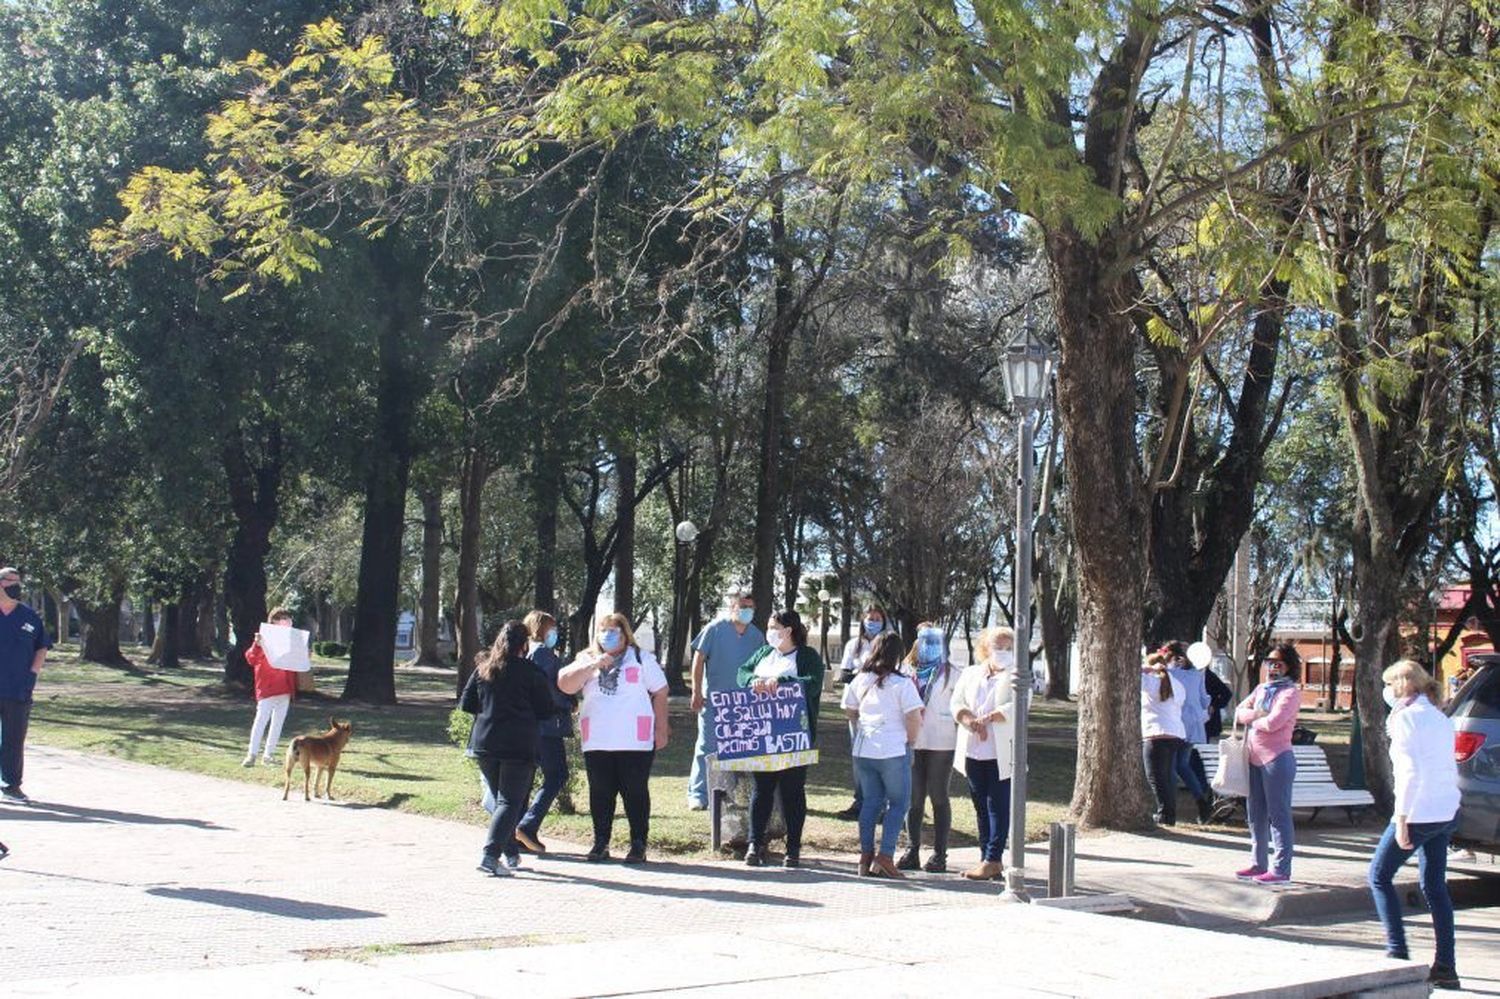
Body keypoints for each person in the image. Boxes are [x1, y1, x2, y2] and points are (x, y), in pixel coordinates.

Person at [1368, 660, 1462, 990]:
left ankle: (1397, 954)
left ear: (1402, 686)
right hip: (1445, 810)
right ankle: (1446, 967)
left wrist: (1402, 819)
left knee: (1378, 876)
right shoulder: (1439, 717)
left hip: (1419, 811)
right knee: (1435, 887)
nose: (1386, 691)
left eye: (1389, 683)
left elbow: (1409, 774)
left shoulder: (1406, 719)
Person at [558, 612, 670, 864]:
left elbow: (661, 691)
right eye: (603, 630)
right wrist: (594, 664)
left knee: (635, 792)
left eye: (614, 631)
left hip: (635, 741)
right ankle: (600, 842)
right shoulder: (586, 658)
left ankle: (638, 844)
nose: (608, 635)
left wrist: (661, 728)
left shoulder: (641, 658)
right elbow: (565, 684)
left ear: (625, 634)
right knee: (600, 792)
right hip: (598, 739)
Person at [461, 620, 558, 876]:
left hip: (485, 744)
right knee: (508, 802)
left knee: (504, 802)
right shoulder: (531, 671)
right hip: (518, 745)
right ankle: (490, 856)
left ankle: (511, 853)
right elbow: (545, 710)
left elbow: (467, 703)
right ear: (524, 645)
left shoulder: (484, 669)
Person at [737, 609, 824, 869]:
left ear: (789, 630)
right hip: (763, 735)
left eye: (774, 627)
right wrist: (753, 680)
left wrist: (782, 681)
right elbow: (742, 673)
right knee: (761, 791)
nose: (770, 631)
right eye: (768, 627)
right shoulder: (764, 653)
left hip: (794, 736)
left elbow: (812, 682)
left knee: (792, 792)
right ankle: (755, 843)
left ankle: (793, 848)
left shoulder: (807, 656)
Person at [843, 631, 923, 878]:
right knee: (899, 803)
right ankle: (885, 856)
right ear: (898, 655)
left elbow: (849, 710)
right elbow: (913, 717)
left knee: (870, 802)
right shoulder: (901, 684)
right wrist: (910, 740)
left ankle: (865, 855)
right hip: (893, 749)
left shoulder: (860, 679)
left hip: (864, 749)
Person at [687, 589, 764, 811]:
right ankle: (698, 794)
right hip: (714, 700)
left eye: (750, 607)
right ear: (732, 607)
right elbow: (698, 659)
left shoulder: (756, 636)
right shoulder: (715, 629)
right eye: (742, 606)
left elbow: (761, 667)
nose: (746, 611)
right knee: (707, 746)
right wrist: (696, 692)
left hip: (743, 703)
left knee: (735, 748)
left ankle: (728, 792)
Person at [1234, 643, 1302, 884]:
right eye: (1269, 662)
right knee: (1255, 815)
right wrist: (1255, 716)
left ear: (1289, 667)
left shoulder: (1290, 693)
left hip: (1277, 759)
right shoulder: (1262, 689)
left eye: (1278, 663)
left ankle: (1281, 869)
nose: (1272, 667)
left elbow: (1273, 724)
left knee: (1278, 816)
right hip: (1253, 758)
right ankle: (1257, 863)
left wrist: (1255, 719)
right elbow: (1239, 711)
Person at [950, 626, 1015, 880]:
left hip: (1000, 751)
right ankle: (986, 857)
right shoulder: (971, 673)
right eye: (999, 647)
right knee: (980, 805)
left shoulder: (1015, 675)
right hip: (973, 749)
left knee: (997, 805)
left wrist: (988, 718)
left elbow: (1019, 704)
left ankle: (994, 857)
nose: (1003, 652)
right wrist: (969, 720)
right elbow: (957, 702)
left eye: (1009, 648)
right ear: (986, 648)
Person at [898, 622, 962, 873]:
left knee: (938, 796)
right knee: (913, 800)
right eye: (926, 642)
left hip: (941, 743)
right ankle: (911, 850)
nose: (930, 647)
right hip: (911, 740)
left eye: (936, 642)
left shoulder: (953, 674)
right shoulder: (905, 671)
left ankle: (939, 854)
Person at [513, 610, 575, 854]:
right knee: (557, 774)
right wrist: (568, 702)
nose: (555, 633)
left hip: (529, 725)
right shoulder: (544, 655)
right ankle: (527, 826)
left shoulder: (527, 652)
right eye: (552, 628)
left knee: (527, 780)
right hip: (547, 726)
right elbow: (549, 689)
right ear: (541, 629)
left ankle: (518, 833)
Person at [834, 604, 893, 820]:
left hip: (882, 708)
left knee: (882, 756)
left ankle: (883, 804)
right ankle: (860, 801)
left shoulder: (888, 643)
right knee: (859, 756)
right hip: (856, 707)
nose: (873, 622)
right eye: (870, 618)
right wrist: (864, 674)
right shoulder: (854, 645)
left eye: (878, 618)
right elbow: (844, 674)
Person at [0, 567, 51, 803]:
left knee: (14, 738)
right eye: (13, 582)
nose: (18, 587)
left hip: (17, 687)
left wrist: (32, 673)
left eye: (19, 582)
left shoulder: (29, 616)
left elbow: (42, 646)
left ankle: (11, 785)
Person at [242, 607, 301, 767]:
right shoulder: (264, 638)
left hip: (285, 689)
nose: (286, 622)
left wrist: (303, 655)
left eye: (287, 619)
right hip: (267, 689)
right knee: (260, 721)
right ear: (273, 621)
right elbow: (251, 658)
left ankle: (268, 755)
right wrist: (257, 644)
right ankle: (251, 755)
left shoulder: (291, 638)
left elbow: (297, 661)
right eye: (282, 618)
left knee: (277, 724)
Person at [1163, 641, 1215, 823]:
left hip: (1175, 724)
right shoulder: (1198, 675)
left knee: (1171, 767)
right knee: (1182, 765)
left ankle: (1168, 808)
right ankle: (1201, 800)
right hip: (1194, 725)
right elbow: (1204, 701)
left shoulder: (1169, 674)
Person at [1141, 651, 1187, 826]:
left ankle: (1163, 813)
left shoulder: (1150, 681)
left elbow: (1133, 672)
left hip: (1155, 733)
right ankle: (1170, 814)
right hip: (1175, 734)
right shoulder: (1177, 684)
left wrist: (1148, 668)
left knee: (1155, 776)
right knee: (1167, 776)